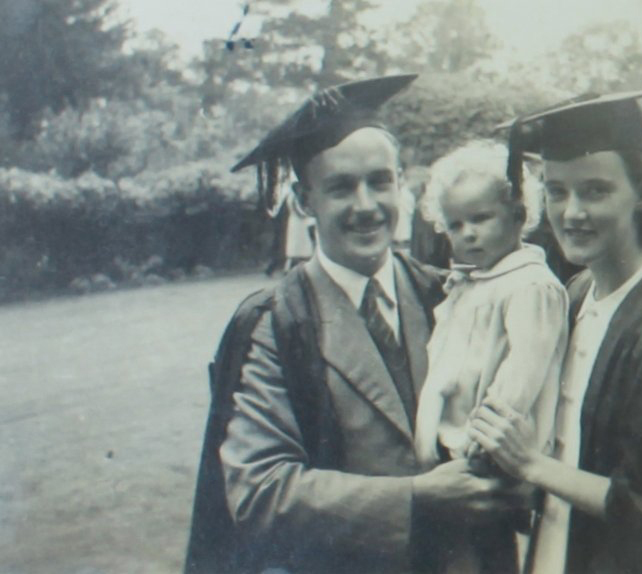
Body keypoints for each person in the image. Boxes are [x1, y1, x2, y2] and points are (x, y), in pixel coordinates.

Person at [184, 75, 523, 574]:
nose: (366, 206)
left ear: (402, 185)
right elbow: (260, 490)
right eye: (342, 187)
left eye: (380, 181)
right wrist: (414, 497)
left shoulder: (451, 295)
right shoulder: (277, 323)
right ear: (304, 202)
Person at [469, 88, 642, 574]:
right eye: (556, 191)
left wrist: (531, 465)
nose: (572, 212)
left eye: (595, 190)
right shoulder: (575, 296)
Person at [413, 140, 568, 571]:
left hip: (491, 452)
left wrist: (485, 440)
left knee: (488, 554)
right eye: (456, 224)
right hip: (453, 447)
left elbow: (523, 371)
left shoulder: (529, 285)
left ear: (518, 217)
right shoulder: (476, 282)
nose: (468, 234)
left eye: (480, 219)